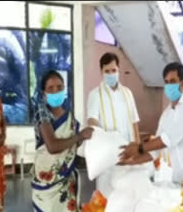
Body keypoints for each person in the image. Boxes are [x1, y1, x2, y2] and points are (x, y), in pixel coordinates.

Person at [118, 62, 183, 189]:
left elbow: (167, 139)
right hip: (180, 182)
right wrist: (130, 161)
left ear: (182, 85)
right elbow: (155, 151)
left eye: (173, 81)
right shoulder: (166, 115)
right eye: (166, 82)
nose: (169, 86)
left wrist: (139, 148)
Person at [31, 70, 94, 212]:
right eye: (50, 88)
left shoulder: (69, 116)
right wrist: (80, 136)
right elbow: (52, 146)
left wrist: (87, 138)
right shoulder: (42, 112)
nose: (55, 91)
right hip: (47, 182)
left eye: (59, 87)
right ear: (44, 94)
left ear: (64, 89)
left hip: (66, 181)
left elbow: (73, 144)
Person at [86, 52, 141, 197]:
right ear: (101, 72)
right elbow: (91, 120)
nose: (111, 74)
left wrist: (138, 148)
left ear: (118, 70)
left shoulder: (128, 93)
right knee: (107, 198)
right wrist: (106, 139)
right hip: (107, 159)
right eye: (107, 71)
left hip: (128, 156)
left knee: (129, 197)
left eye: (113, 70)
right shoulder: (95, 94)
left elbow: (135, 122)